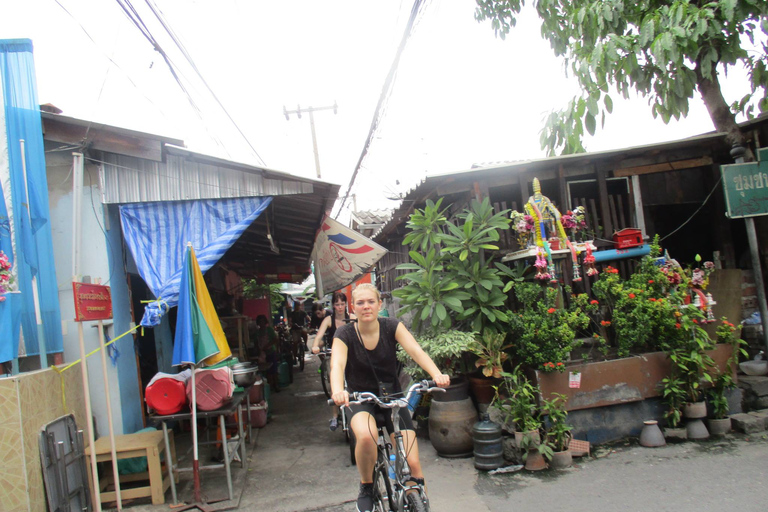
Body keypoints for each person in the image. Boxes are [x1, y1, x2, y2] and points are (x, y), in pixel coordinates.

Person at [330, 283, 450, 512]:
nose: (366, 307)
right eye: (360, 303)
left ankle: (417, 502)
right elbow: (337, 364)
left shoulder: (391, 326)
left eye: (371, 302)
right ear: (352, 308)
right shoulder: (344, 334)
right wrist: (338, 390)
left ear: (379, 304)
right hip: (360, 399)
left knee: (413, 464)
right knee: (366, 437)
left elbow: (415, 350)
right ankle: (367, 486)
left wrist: (436, 374)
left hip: (393, 398)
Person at [312, 291, 353, 431]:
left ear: (346, 304)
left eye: (342, 304)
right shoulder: (328, 320)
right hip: (334, 355)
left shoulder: (352, 318)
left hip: (352, 355)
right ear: (333, 306)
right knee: (335, 385)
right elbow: (319, 336)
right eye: (337, 304)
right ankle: (335, 416)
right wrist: (315, 345)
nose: (340, 307)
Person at [254, 315, 280, 392]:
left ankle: (276, 385)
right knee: (267, 371)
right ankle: (270, 386)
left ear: (265, 322)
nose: (261, 323)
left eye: (262, 321)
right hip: (262, 354)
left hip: (271, 352)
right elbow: (256, 343)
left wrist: (267, 346)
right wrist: (258, 351)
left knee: (274, 370)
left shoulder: (269, 330)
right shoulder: (257, 333)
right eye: (260, 322)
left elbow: (275, 339)